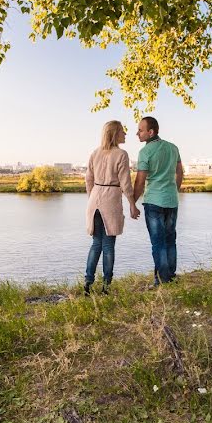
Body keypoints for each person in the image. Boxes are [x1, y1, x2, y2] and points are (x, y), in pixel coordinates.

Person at [84, 120, 139, 295]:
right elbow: (125, 183)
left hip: (95, 199)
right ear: (115, 133)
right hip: (111, 200)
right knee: (108, 246)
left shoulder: (95, 153)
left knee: (96, 244)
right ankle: (106, 286)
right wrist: (132, 204)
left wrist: (92, 197)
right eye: (123, 131)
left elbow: (88, 180)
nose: (125, 134)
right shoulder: (121, 154)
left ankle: (88, 283)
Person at [133, 116, 183, 286]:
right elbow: (179, 173)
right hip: (171, 200)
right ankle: (171, 276)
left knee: (158, 242)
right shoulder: (173, 148)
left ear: (151, 132)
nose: (137, 133)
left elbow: (140, 181)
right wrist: (173, 190)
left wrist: (132, 202)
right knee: (170, 239)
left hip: (154, 201)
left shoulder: (145, 152)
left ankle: (162, 280)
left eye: (140, 130)